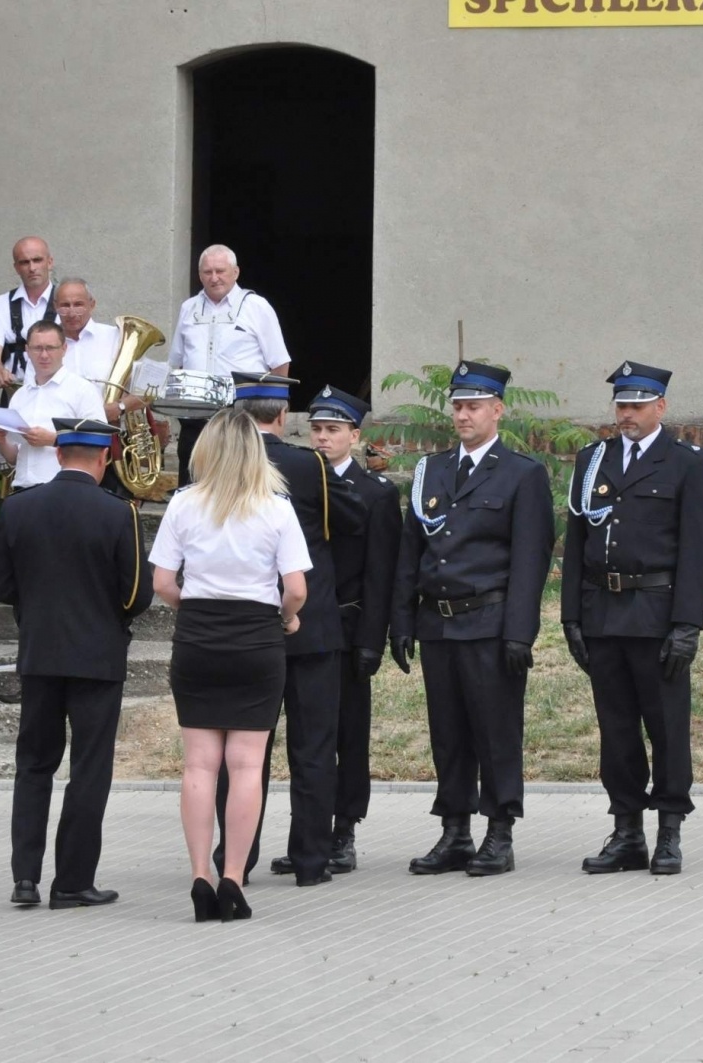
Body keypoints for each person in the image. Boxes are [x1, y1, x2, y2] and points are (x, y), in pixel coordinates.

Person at [390, 361, 555, 877]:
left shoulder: (522, 474)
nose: (463, 415)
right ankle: (455, 830)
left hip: (488, 620)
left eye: (473, 406)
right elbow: (409, 551)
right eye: (457, 406)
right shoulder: (431, 471)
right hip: (438, 623)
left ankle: (500, 831)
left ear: (497, 410)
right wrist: (402, 622)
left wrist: (519, 632)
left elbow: (531, 560)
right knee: (449, 732)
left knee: (495, 731)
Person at [149, 407, 312, 922]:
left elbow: (162, 584)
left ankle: (199, 872)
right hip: (256, 642)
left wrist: (192, 609)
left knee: (198, 764)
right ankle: (233, 878)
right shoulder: (276, 509)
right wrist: (287, 620)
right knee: (246, 767)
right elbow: (296, 590)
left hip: (197, 638)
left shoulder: (183, 505)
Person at [0, 417, 154, 910]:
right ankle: (73, 881)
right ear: (105, 459)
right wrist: (106, 618)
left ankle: (24, 879)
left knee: (34, 765)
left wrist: (36, 612)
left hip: (39, 653)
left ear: (59, 455)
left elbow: (0, 583)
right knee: (89, 768)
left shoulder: (18, 508)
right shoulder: (117, 513)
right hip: (98, 657)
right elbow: (136, 593)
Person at [560, 363, 703, 876]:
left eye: (636, 405)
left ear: (660, 408)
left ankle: (668, 830)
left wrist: (688, 625)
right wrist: (571, 619)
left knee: (668, 728)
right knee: (617, 730)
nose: (625, 415)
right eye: (621, 405)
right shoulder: (592, 460)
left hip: (657, 616)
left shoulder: (687, 463)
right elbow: (577, 543)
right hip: (603, 614)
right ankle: (627, 830)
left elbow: (698, 549)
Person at [217, 373, 365, 887]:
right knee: (314, 747)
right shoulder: (308, 465)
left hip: (242, 627)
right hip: (312, 626)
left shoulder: (216, 462)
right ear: (282, 416)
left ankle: (235, 857)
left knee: (240, 752)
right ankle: (310, 859)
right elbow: (351, 516)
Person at [294, 385, 401, 873]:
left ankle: (344, 830)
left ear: (355, 436)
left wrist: (370, 640)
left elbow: (382, 573)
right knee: (305, 737)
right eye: (316, 429)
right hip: (299, 622)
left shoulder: (376, 494)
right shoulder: (296, 482)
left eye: (333, 430)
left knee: (347, 734)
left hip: (348, 621)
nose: (322, 438)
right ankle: (307, 836)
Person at [167, 245, 291, 488]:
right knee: (193, 485)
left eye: (220, 271)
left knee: (241, 484)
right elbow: (176, 362)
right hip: (196, 415)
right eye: (207, 272)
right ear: (199, 274)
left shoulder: (257, 306)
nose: (214, 278)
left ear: (235, 272)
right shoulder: (188, 308)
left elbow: (279, 363)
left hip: (243, 412)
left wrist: (275, 411)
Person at [0, 321, 105, 491]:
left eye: (50, 348)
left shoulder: (82, 389)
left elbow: (98, 439)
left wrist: (54, 439)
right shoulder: (20, 395)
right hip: (23, 486)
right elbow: (14, 458)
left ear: (64, 349)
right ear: (27, 350)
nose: (44, 355)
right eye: (37, 348)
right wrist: (2, 441)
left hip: (64, 488)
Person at [0, 236, 57, 402]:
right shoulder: (0, 304)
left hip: (58, 393)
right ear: (16, 268)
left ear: (50, 262)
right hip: (16, 394)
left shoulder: (66, 302)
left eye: (37, 260)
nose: (32, 268)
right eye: (24, 262)